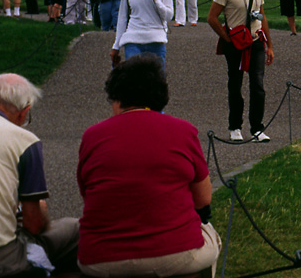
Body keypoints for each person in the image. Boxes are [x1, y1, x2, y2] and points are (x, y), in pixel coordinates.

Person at [76, 56, 219, 277]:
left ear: (117, 98)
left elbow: (88, 194)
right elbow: (203, 198)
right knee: (210, 235)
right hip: (175, 252)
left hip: (102, 258)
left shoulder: (92, 136)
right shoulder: (183, 131)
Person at [0, 73, 79, 276]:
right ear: (24, 113)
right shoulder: (24, 141)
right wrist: (39, 208)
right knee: (76, 230)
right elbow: (34, 224)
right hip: (0, 258)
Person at [207, 0, 274, 142]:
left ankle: (257, 129)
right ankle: (235, 126)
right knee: (235, 85)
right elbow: (212, 17)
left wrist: (269, 45)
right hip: (235, 44)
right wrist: (226, 37)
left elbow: (262, 17)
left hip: (256, 42)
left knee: (258, 85)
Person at [110, 0, 173, 68]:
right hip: (133, 38)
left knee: (157, 79)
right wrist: (116, 46)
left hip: (156, 39)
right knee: (133, 78)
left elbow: (168, 16)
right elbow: (122, 18)